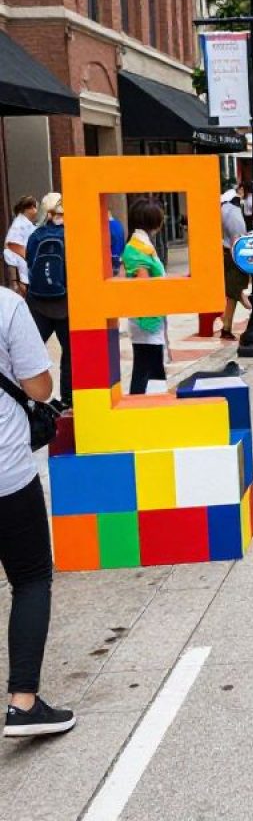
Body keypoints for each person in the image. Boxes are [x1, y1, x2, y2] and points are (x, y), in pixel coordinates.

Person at [0, 285, 76, 738]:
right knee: (30, 579)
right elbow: (39, 387)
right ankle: (23, 703)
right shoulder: (7, 306)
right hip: (6, 474)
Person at [24, 193, 71, 408]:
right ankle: (67, 400)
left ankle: (26, 396)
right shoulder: (71, 236)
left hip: (38, 304)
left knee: (29, 350)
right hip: (65, 305)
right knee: (69, 353)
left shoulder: (35, 236)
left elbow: (30, 265)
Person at [122, 199, 169, 395]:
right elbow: (144, 286)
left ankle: (150, 403)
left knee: (148, 368)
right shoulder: (138, 249)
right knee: (146, 369)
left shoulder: (141, 245)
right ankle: (142, 405)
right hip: (146, 319)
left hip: (148, 317)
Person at [220, 185, 250, 341]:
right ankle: (227, 326)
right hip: (232, 255)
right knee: (235, 292)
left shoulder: (223, 209)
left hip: (227, 253)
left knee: (233, 293)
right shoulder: (232, 211)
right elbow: (237, 236)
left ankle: (226, 326)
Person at [4, 196, 37, 295]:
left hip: (29, 274)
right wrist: (15, 282)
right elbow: (9, 253)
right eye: (32, 207)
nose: (35, 211)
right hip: (24, 277)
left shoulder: (27, 224)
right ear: (26, 209)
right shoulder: (18, 226)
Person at [108, 209, 126, 275]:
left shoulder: (107, 226)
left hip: (111, 256)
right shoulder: (119, 224)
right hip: (120, 256)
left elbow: (110, 241)